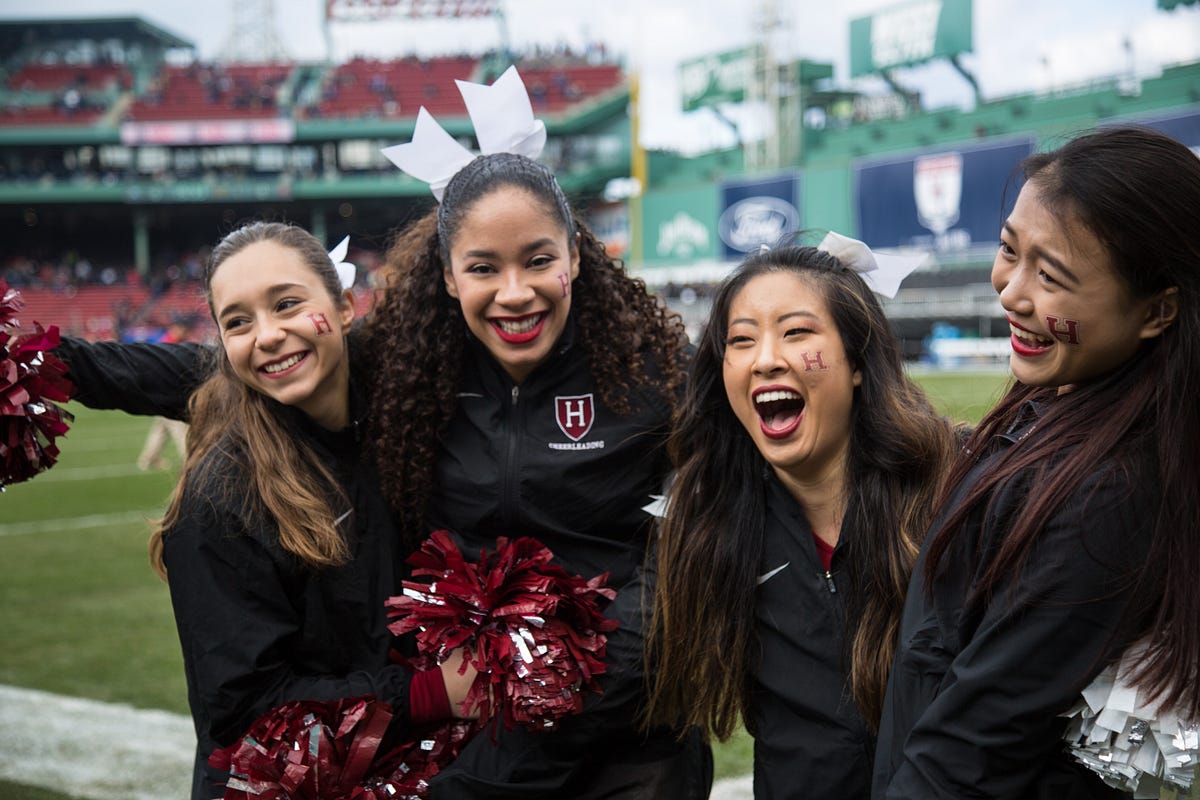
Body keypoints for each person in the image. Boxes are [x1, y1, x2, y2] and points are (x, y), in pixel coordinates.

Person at [362, 148, 707, 797]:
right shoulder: (413, 379)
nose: (515, 292)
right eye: (484, 268)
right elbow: (271, 366)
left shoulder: (658, 376)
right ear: (447, 276)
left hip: (630, 749)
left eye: (539, 259)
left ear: (576, 255)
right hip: (474, 740)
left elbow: (674, 590)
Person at [872, 126, 1199, 799]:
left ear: (1157, 311)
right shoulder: (1057, 402)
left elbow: (971, 749)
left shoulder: (1107, 492)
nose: (1011, 293)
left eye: (1050, 276)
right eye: (1008, 251)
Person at [136, 221, 475, 799]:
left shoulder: (400, 430)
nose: (266, 335)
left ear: (344, 307)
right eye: (237, 322)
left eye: (287, 303)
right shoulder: (221, 496)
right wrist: (426, 693)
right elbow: (245, 710)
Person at [643, 243, 958, 799]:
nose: (765, 358)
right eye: (741, 340)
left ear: (857, 362)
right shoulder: (711, 522)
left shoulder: (954, 493)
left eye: (795, 332)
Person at [136, 318, 192, 470]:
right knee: (180, 426)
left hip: (161, 392)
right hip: (168, 393)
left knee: (161, 429)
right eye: (185, 330)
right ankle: (190, 460)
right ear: (178, 328)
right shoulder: (169, 344)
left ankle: (149, 458)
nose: (186, 334)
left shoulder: (168, 341)